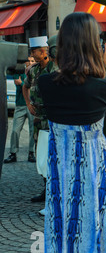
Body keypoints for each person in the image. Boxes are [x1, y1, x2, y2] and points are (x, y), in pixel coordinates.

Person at [38, 12, 106, 253]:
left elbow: (63, 81)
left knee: (64, 244)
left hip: (60, 172)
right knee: (93, 240)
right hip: (94, 171)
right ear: (94, 45)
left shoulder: (45, 83)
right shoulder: (103, 87)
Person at [23, 36, 58, 203]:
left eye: (34, 51)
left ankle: (54, 189)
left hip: (53, 118)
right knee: (42, 154)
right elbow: (25, 86)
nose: (32, 54)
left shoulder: (55, 68)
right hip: (39, 118)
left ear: (44, 52)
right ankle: (46, 189)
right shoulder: (33, 70)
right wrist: (28, 103)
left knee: (54, 153)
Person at [3, 56, 36, 164]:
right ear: (25, 62)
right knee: (15, 130)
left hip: (32, 105)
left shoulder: (36, 72)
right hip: (20, 105)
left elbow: (32, 88)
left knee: (32, 130)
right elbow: (18, 83)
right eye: (28, 61)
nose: (30, 62)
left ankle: (31, 153)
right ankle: (13, 153)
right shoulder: (19, 71)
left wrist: (24, 85)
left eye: (32, 61)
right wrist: (27, 86)